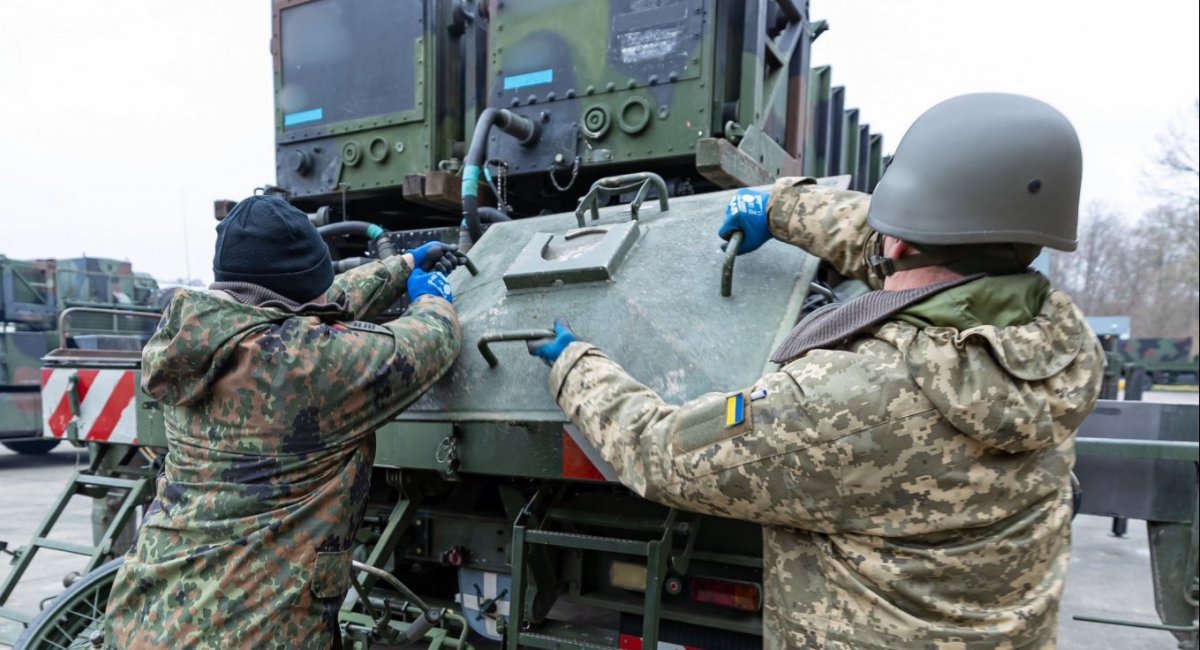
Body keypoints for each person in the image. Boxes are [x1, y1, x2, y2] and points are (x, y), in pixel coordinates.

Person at [525, 94, 1105, 648]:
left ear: (900, 243)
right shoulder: (1062, 341)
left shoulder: (850, 400)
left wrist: (577, 366)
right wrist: (780, 209)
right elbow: (907, 248)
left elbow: (665, 453)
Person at [105, 195, 463, 649]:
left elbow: (323, 300)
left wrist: (403, 264)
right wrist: (431, 297)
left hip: (147, 620)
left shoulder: (195, 338)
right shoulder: (305, 366)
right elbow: (432, 340)